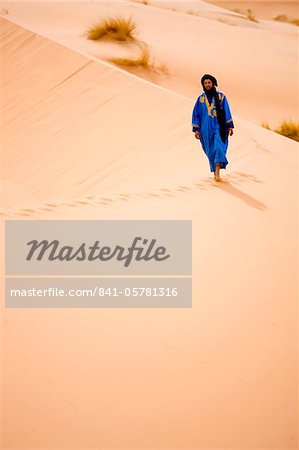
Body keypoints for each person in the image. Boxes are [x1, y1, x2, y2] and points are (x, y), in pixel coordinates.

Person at [192, 74, 234, 181]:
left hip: (219, 126)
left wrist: (229, 126)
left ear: (213, 83)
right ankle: (215, 171)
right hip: (205, 128)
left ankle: (217, 173)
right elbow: (196, 114)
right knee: (210, 150)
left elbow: (227, 111)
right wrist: (196, 130)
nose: (207, 85)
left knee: (218, 147)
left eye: (209, 82)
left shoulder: (221, 97)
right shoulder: (201, 99)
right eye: (205, 83)